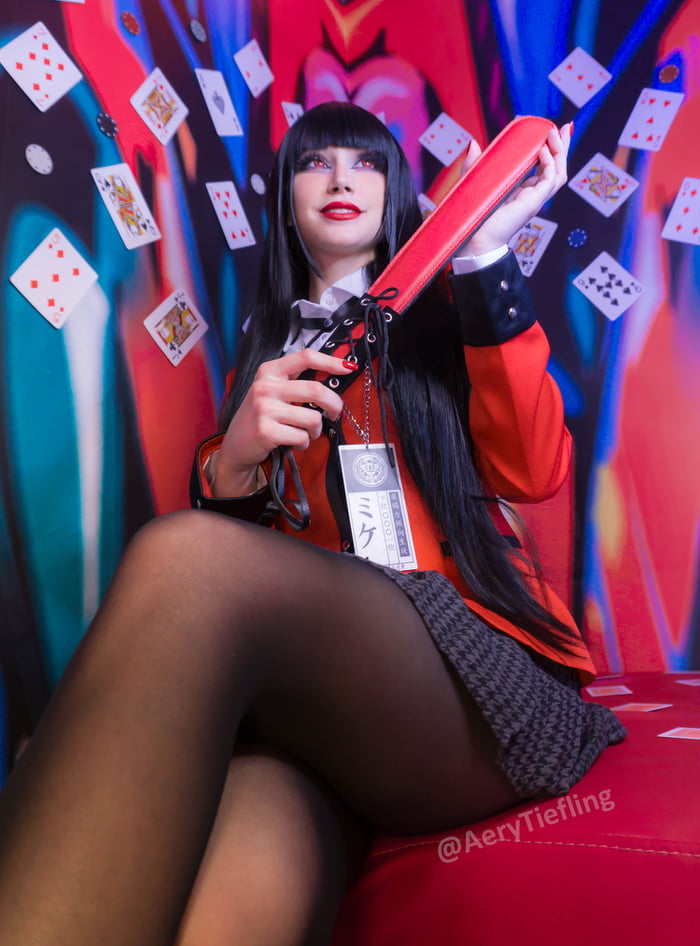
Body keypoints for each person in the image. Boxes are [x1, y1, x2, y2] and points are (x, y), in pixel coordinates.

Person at [0, 102, 624, 946]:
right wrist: (232, 462)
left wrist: (483, 252)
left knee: (183, 556)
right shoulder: (266, 358)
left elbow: (535, 469)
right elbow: (250, 566)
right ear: (287, 203)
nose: (338, 178)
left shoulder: (455, 320)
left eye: (365, 163)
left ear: (396, 192)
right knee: (225, 912)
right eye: (313, 162)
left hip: (472, 675)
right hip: (325, 717)